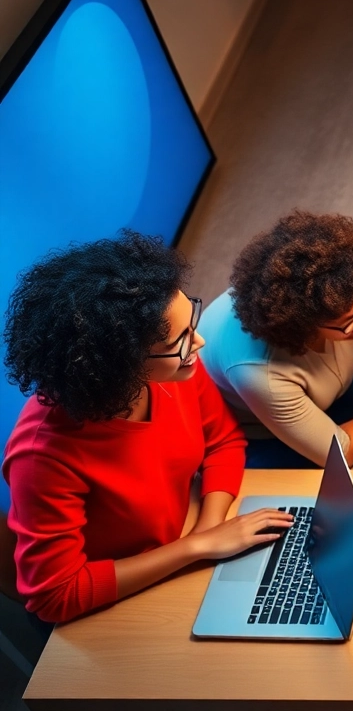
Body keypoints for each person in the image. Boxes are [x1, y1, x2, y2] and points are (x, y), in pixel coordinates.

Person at [3, 232, 293, 624]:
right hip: (122, 602)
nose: (200, 341)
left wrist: (207, 533)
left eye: (191, 321)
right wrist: (197, 547)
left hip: (186, 539)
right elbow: (56, 595)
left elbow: (223, 440)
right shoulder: (42, 456)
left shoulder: (176, 372)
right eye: (181, 340)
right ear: (121, 363)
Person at [198, 211, 353, 468]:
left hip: (325, 387)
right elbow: (341, 454)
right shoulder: (260, 373)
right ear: (303, 327)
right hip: (266, 431)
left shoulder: (349, 287)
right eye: (350, 320)